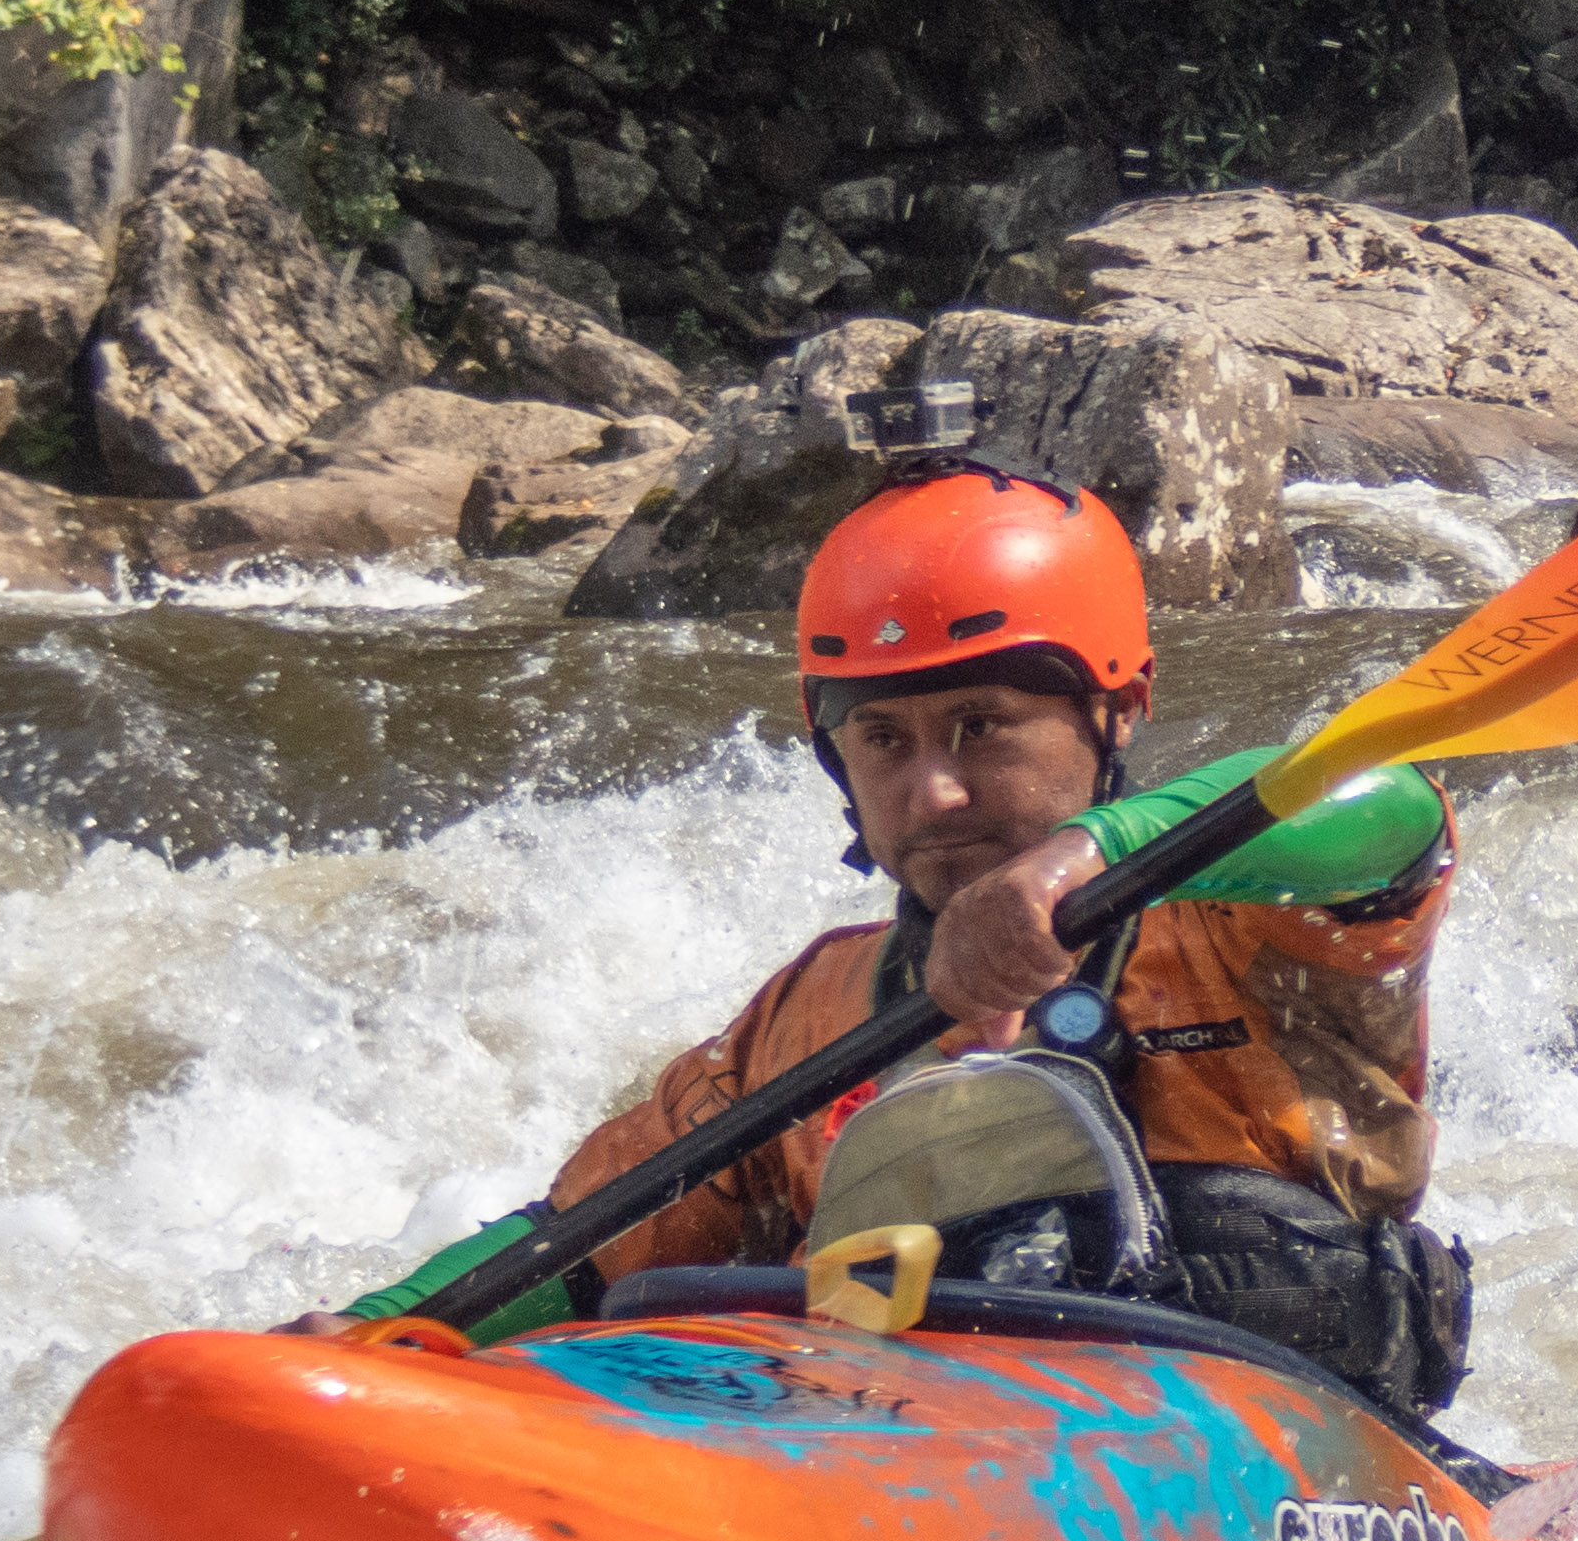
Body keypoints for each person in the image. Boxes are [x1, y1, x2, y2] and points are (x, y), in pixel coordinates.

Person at [342, 449, 1476, 1414]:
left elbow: (1389, 804)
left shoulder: (1249, 924)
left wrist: (1081, 859)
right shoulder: (812, 1016)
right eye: (884, 740)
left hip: (1264, 1449)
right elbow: (580, 1246)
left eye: (982, 726)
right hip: (911, 1456)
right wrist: (368, 1337)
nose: (934, 791)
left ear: (1119, 709)